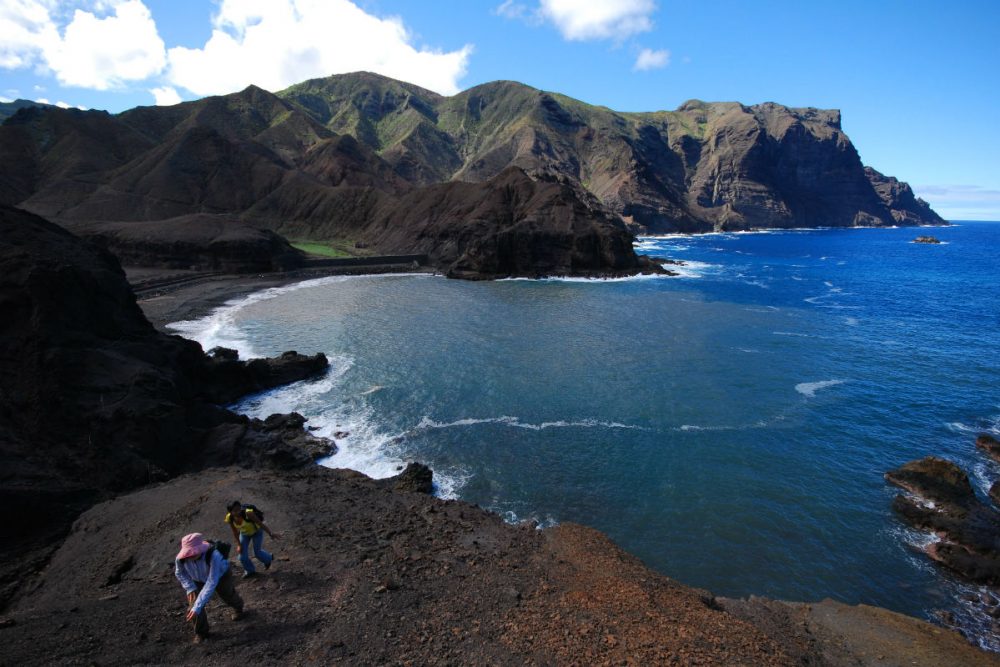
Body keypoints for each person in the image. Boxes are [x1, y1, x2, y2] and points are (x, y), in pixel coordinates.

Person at [174, 532, 244, 642]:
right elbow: (179, 573)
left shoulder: (214, 555)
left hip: (220, 576)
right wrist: (190, 588)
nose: (190, 556)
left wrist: (198, 605)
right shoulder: (181, 558)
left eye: (193, 553)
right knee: (193, 607)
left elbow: (212, 581)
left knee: (227, 594)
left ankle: (238, 607)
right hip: (196, 580)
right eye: (188, 553)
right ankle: (201, 633)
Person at [225, 500, 280, 578]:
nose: (238, 512)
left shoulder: (248, 513)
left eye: (239, 509)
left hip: (256, 532)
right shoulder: (230, 518)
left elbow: (260, 523)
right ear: (230, 512)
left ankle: (268, 558)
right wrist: (239, 544)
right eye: (235, 511)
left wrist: (270, 533)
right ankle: (250, 571)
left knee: (257, 553)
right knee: (242, 557)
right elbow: (235, 532)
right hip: (244, 534)